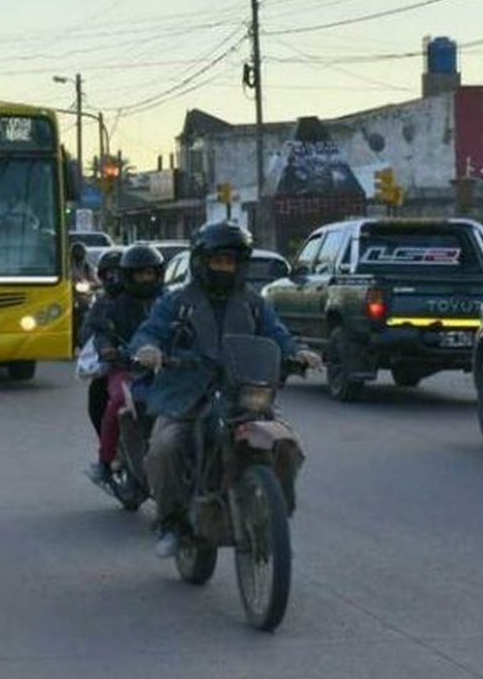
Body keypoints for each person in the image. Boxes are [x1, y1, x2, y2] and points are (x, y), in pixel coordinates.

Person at [129, 221, 320, 557]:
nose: (225, 268)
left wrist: (297, 352)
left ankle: (273, 517)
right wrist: (148, 350)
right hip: (186, 394)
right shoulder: (177, 302)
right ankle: (172, 522)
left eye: (231, 262)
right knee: (165, 447)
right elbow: (149, 331)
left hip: (241, 391)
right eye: (219, 261)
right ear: (202, 262)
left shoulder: (253, 303)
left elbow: (277, 334)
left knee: (285, 443)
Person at [84, 243, 165, 487]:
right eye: (139, 273)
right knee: (119, 400)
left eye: (150, 272)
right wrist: (108, 349)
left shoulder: (169, 301)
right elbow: (100, 333)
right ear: (128, 276)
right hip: (126, 368)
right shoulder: (114, 305)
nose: (145, 278)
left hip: (167, 367)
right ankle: (105, 461)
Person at [86, 247, 124, 439]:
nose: (114, 278)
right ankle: (107, 451)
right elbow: (88, 331)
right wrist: (105, 347)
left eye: (118, 273)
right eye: (109, 273)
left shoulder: (158, 299)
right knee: (98, 398)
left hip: (150, 366)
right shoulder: (101, 303)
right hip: (116, 364)